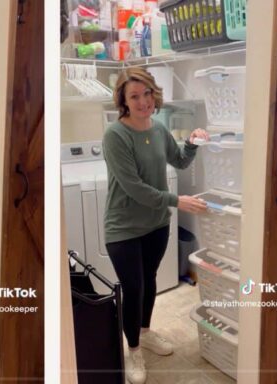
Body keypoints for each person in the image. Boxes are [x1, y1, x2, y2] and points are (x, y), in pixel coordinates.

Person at [103, 67, 209, 384]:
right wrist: (177, 201)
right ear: (123, 101)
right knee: (133, 289)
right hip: (123, 227)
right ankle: (133, 349)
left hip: (156, 224)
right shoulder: (115, 135)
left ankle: (145, 332)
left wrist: (191, 143)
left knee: (148, 281)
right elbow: (134, 187)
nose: (143, 101)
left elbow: (179, 160)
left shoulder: (159, 129)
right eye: (134, 96)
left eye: (147, 93)